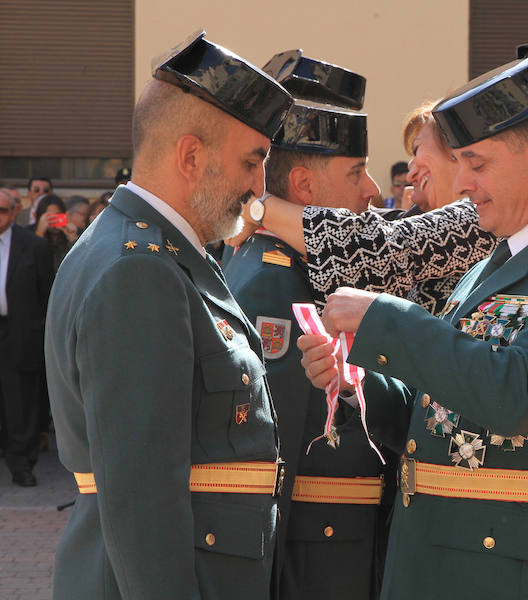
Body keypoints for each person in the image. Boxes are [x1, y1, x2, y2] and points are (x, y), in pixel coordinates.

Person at [299, 39, 528, 600]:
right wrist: (358, 381)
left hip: (502, 573)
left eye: (477, 163)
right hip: (427, 559)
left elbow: (513, 394)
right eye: (460, 164)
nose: (461, 185)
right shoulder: (488, 266)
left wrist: (385, 317)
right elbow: (437, 407)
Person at [44, 32, 293, 600]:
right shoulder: (141, 272)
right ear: (190, 156)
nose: (259, 187)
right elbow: (141, 498)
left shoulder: (149, 254)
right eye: (252, 162)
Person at [224, 51, 391, 600]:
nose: (371, 190)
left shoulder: (299, 269)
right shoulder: (275, 282)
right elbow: (275, 462)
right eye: (354, 172)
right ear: (303, 185)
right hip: (315, 558)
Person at [235, 99, 497, 315]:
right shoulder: (422, 220)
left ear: (459, 155)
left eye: (416, 150)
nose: (410, 170)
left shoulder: (481, 220)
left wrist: (257, 207)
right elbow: (369, 227)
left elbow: (370, 246)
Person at [0, 189, 53, 486]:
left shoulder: (34, 247)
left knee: (21, 403)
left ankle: (22, 464)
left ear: (15, 212)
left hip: (20, 333)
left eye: (3, 210)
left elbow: (48, 296)